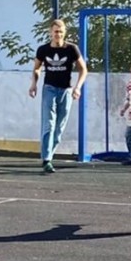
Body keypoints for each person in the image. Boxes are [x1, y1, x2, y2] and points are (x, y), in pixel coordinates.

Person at [29, 19, 88, 174]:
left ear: (64, 33)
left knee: (59, 128)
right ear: (51, 32)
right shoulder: (43, 49)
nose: (58, 34)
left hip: (66, 90)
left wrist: (78, 87)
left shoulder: (71, 49)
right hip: (49, 89)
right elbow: (36, 68)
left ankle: (49, 153)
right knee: (48, 124)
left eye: (61, 32)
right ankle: (47, 159)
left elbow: (83, 69)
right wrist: (34, 84)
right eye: (56, 31)